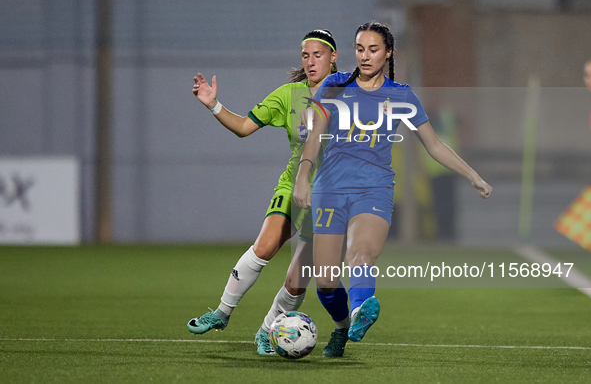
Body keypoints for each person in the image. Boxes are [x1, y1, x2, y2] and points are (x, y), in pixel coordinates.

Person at [293, 21, 492, 358]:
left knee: (361, 253)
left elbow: (434, 144)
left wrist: (472, 174)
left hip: (375, 188)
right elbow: (314, 136)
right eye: (360, 49)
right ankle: (342, 326)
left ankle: (359, 314)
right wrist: (303, 175)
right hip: (330, 189)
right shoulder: (334, 86)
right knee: (325, 281)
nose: (365, 56)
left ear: (388, 53)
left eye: (373, 49)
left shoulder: (401, 96)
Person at [187, 30, 338, 355]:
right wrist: (214, 105)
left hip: (332, 196)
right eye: (305, 56)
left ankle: (269, 328)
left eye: (318, 55)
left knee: (299, 279)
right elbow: (244, 127)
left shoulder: (349, 92)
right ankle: (221, 313)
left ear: (333, 57)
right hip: (294, 186)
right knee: (266, 245)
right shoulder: (288, 95)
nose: (311, 62)